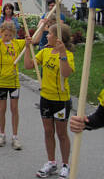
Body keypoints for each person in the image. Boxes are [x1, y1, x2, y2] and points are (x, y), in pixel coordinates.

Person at [25, 23, 74, 179]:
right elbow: (28, 65)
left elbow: (66, 73)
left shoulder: (67, 54)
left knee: (61, 134)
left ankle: (65, 165)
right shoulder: (45, 51)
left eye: (50, 34)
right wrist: (27, 48)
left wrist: (62, 54)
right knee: (48, 131)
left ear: (58, 38)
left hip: (61, 100)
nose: (47, 35)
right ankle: (51, 162)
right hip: (45, 97)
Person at [0, 8, 25, 150]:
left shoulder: (17, 44)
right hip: (2, 81)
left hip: (14, 82)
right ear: (1, 33)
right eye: (5, 34)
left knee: (14, 109)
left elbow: (32, 40)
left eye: (10, 35)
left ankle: (15, 136)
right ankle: (2, 134)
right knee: (2, 109)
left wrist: (41, 27)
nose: (7, 37)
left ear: (14, 34)